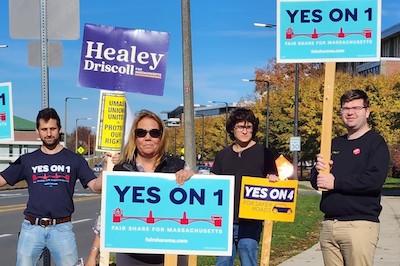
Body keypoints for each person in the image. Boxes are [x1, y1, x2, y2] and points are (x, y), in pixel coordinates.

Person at [84, 109, 194, 266]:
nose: (147, 137)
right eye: (141, 132)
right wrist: (93, 255)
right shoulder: (122, 169)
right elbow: (108, 214)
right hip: (131, 255)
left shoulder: (178, 166)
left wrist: (191, 177)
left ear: (161, 137)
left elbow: (197, 204)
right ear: (134, 137)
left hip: (171, 255)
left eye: (154, 133)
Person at [0, 108, 103, 266]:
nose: (49, 133)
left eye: (52, 129)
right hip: (31, 228)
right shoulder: (27, 160)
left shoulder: (74, 159)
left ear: (60, 130)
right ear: (38, 131)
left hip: (62, 229)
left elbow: (96, 186)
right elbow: (2, 179)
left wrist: (109, 167)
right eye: (44, 129)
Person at [310, 89, 390, 266]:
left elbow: (374, 180)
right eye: (345, 108)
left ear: (367, 111)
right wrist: (318, 171)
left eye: (356, 108)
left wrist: (335, 182)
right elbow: (317, 181)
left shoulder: (375, 142)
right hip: (330, 224)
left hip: (359, 225)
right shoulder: (334, 143)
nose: (350, 112)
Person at [211, 107, 278, 266]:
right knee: (223, 261)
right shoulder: (223, 154)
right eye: (240, 126)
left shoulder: (264, 152)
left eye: (248, 127)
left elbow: (273, 177)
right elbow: (214, 181)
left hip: (251, 219)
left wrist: (272, 178)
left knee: (248, 256)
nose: (245, 131)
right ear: (232, 129)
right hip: (225, 219)